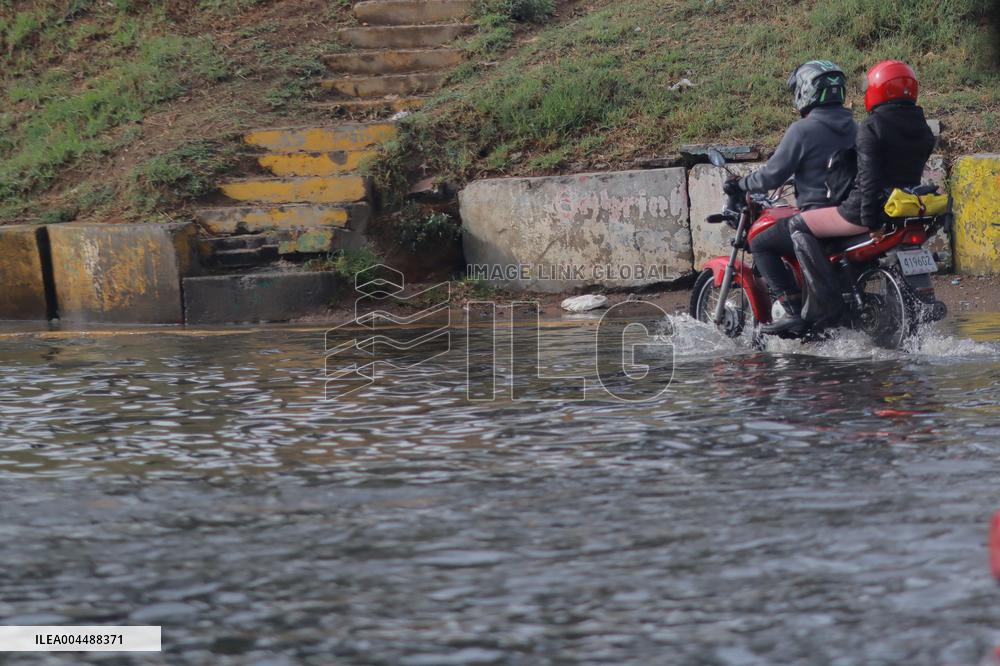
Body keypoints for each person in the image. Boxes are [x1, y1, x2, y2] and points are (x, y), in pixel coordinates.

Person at [750, 60, 936, 336]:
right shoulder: (922, 129)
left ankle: (813, 306)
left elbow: (868, 180)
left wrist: (869, 218)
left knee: (793, 226)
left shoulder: (870, 128)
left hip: (864, 211)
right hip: (899, 207)